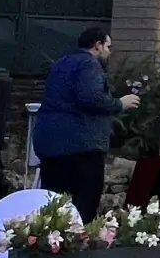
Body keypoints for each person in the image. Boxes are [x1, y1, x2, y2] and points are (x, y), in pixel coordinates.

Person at [33, 26, 139, 221]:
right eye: (108, 47)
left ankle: (52, 238)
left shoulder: (60, 63)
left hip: (50, 145)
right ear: (98, 45)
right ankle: (78, 240)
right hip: (81, 147)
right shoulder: (89, 64)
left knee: (54, 206)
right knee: (84, 206)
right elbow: (91, 98)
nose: (109, 52)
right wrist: (119, 104)